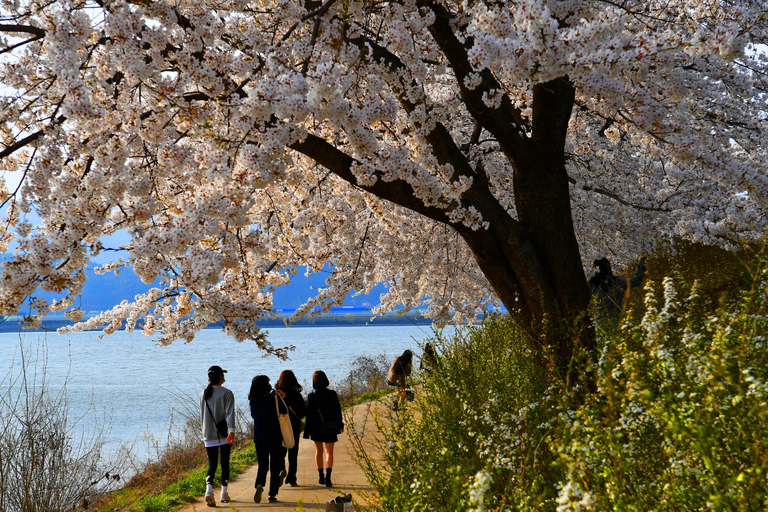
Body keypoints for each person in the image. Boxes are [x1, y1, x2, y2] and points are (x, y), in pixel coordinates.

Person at [200, 365, 235, 507]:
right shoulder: (227, 393)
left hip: (208, 434)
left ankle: (209, 490)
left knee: (212, 464)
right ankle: (223, 493)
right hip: (223, 434)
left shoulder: (203, 393)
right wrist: (231, 430)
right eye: (223, 375)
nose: (224, 377)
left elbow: (202, 415)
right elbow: (229, 413)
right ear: (220, 376)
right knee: (224, 463)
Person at [249, 375, 287, 503]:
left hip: (260, 437)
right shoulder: (272, 399)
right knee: (275, 466)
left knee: (262, 465)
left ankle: (260, 484)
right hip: (274, 436)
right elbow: (282, 410)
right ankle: (272, 494)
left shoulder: (253, 401)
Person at [304, 370, 344, 488]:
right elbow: (338, 410)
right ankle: (328, 477)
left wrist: (308, 430)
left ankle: (321, 476)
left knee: (319, 451)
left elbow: (309, 414)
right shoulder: (332, 394)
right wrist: (340, 424)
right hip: (330, 426)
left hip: (316, 427)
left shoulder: (312, 396)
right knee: (329, 452)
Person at [589, 256, 646, 320]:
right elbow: (636, 281)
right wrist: (641, 262)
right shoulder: (616, 282)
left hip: (598, 323)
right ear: (608, 268)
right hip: (616, 322)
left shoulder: (591, 285)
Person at [275, 369, 306, 487]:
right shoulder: (296, 394)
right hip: (293, 425)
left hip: (280, 426)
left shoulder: (276, 394)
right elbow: (302, 412)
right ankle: (292, 478)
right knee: (293, 452)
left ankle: (281, 469)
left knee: (280, 451)